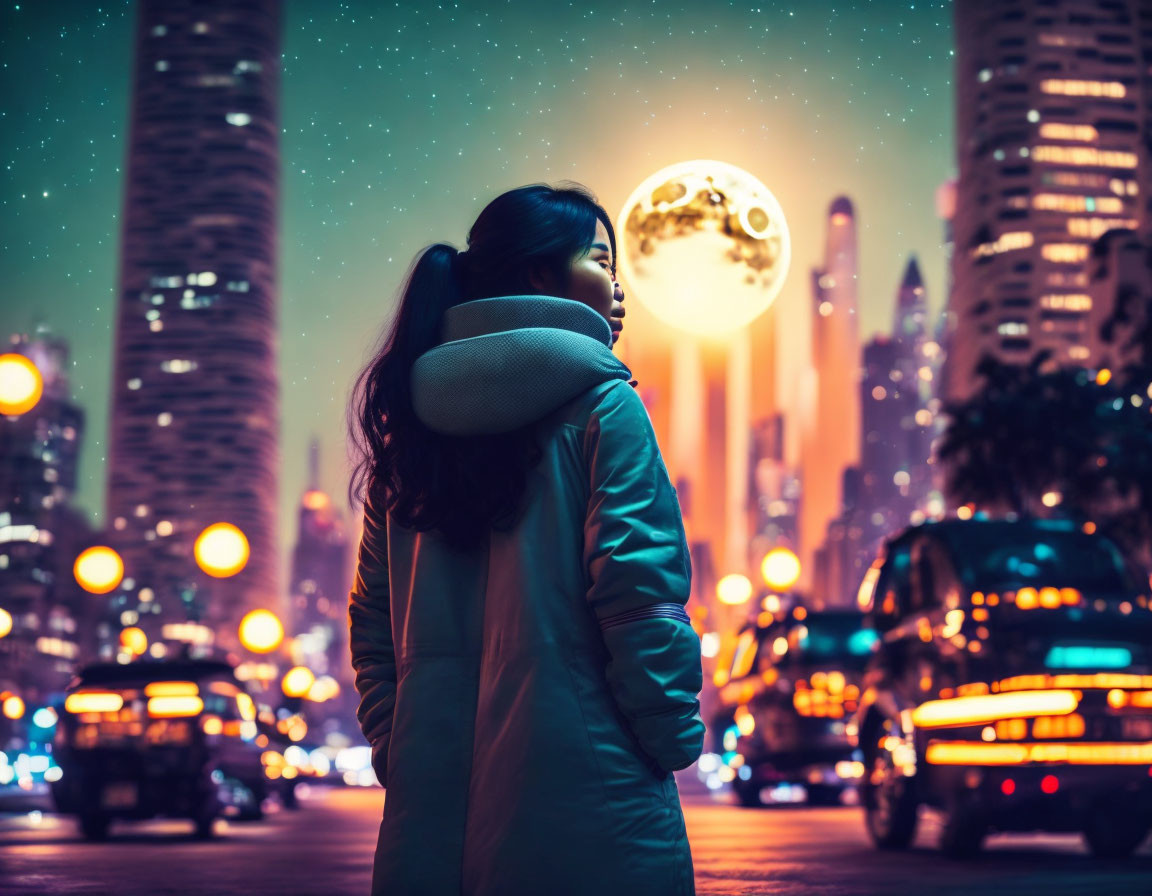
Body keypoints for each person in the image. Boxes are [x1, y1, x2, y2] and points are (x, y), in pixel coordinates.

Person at [346, 182, 704, 896]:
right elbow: (640, 597)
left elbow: (371, 621)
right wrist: (667, 737)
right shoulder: (606, 406)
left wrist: (400, 743)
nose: (620, 287)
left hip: (431, 808)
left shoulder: (411, 429)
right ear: (542, 275)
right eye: (602, 261)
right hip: (590, 788)